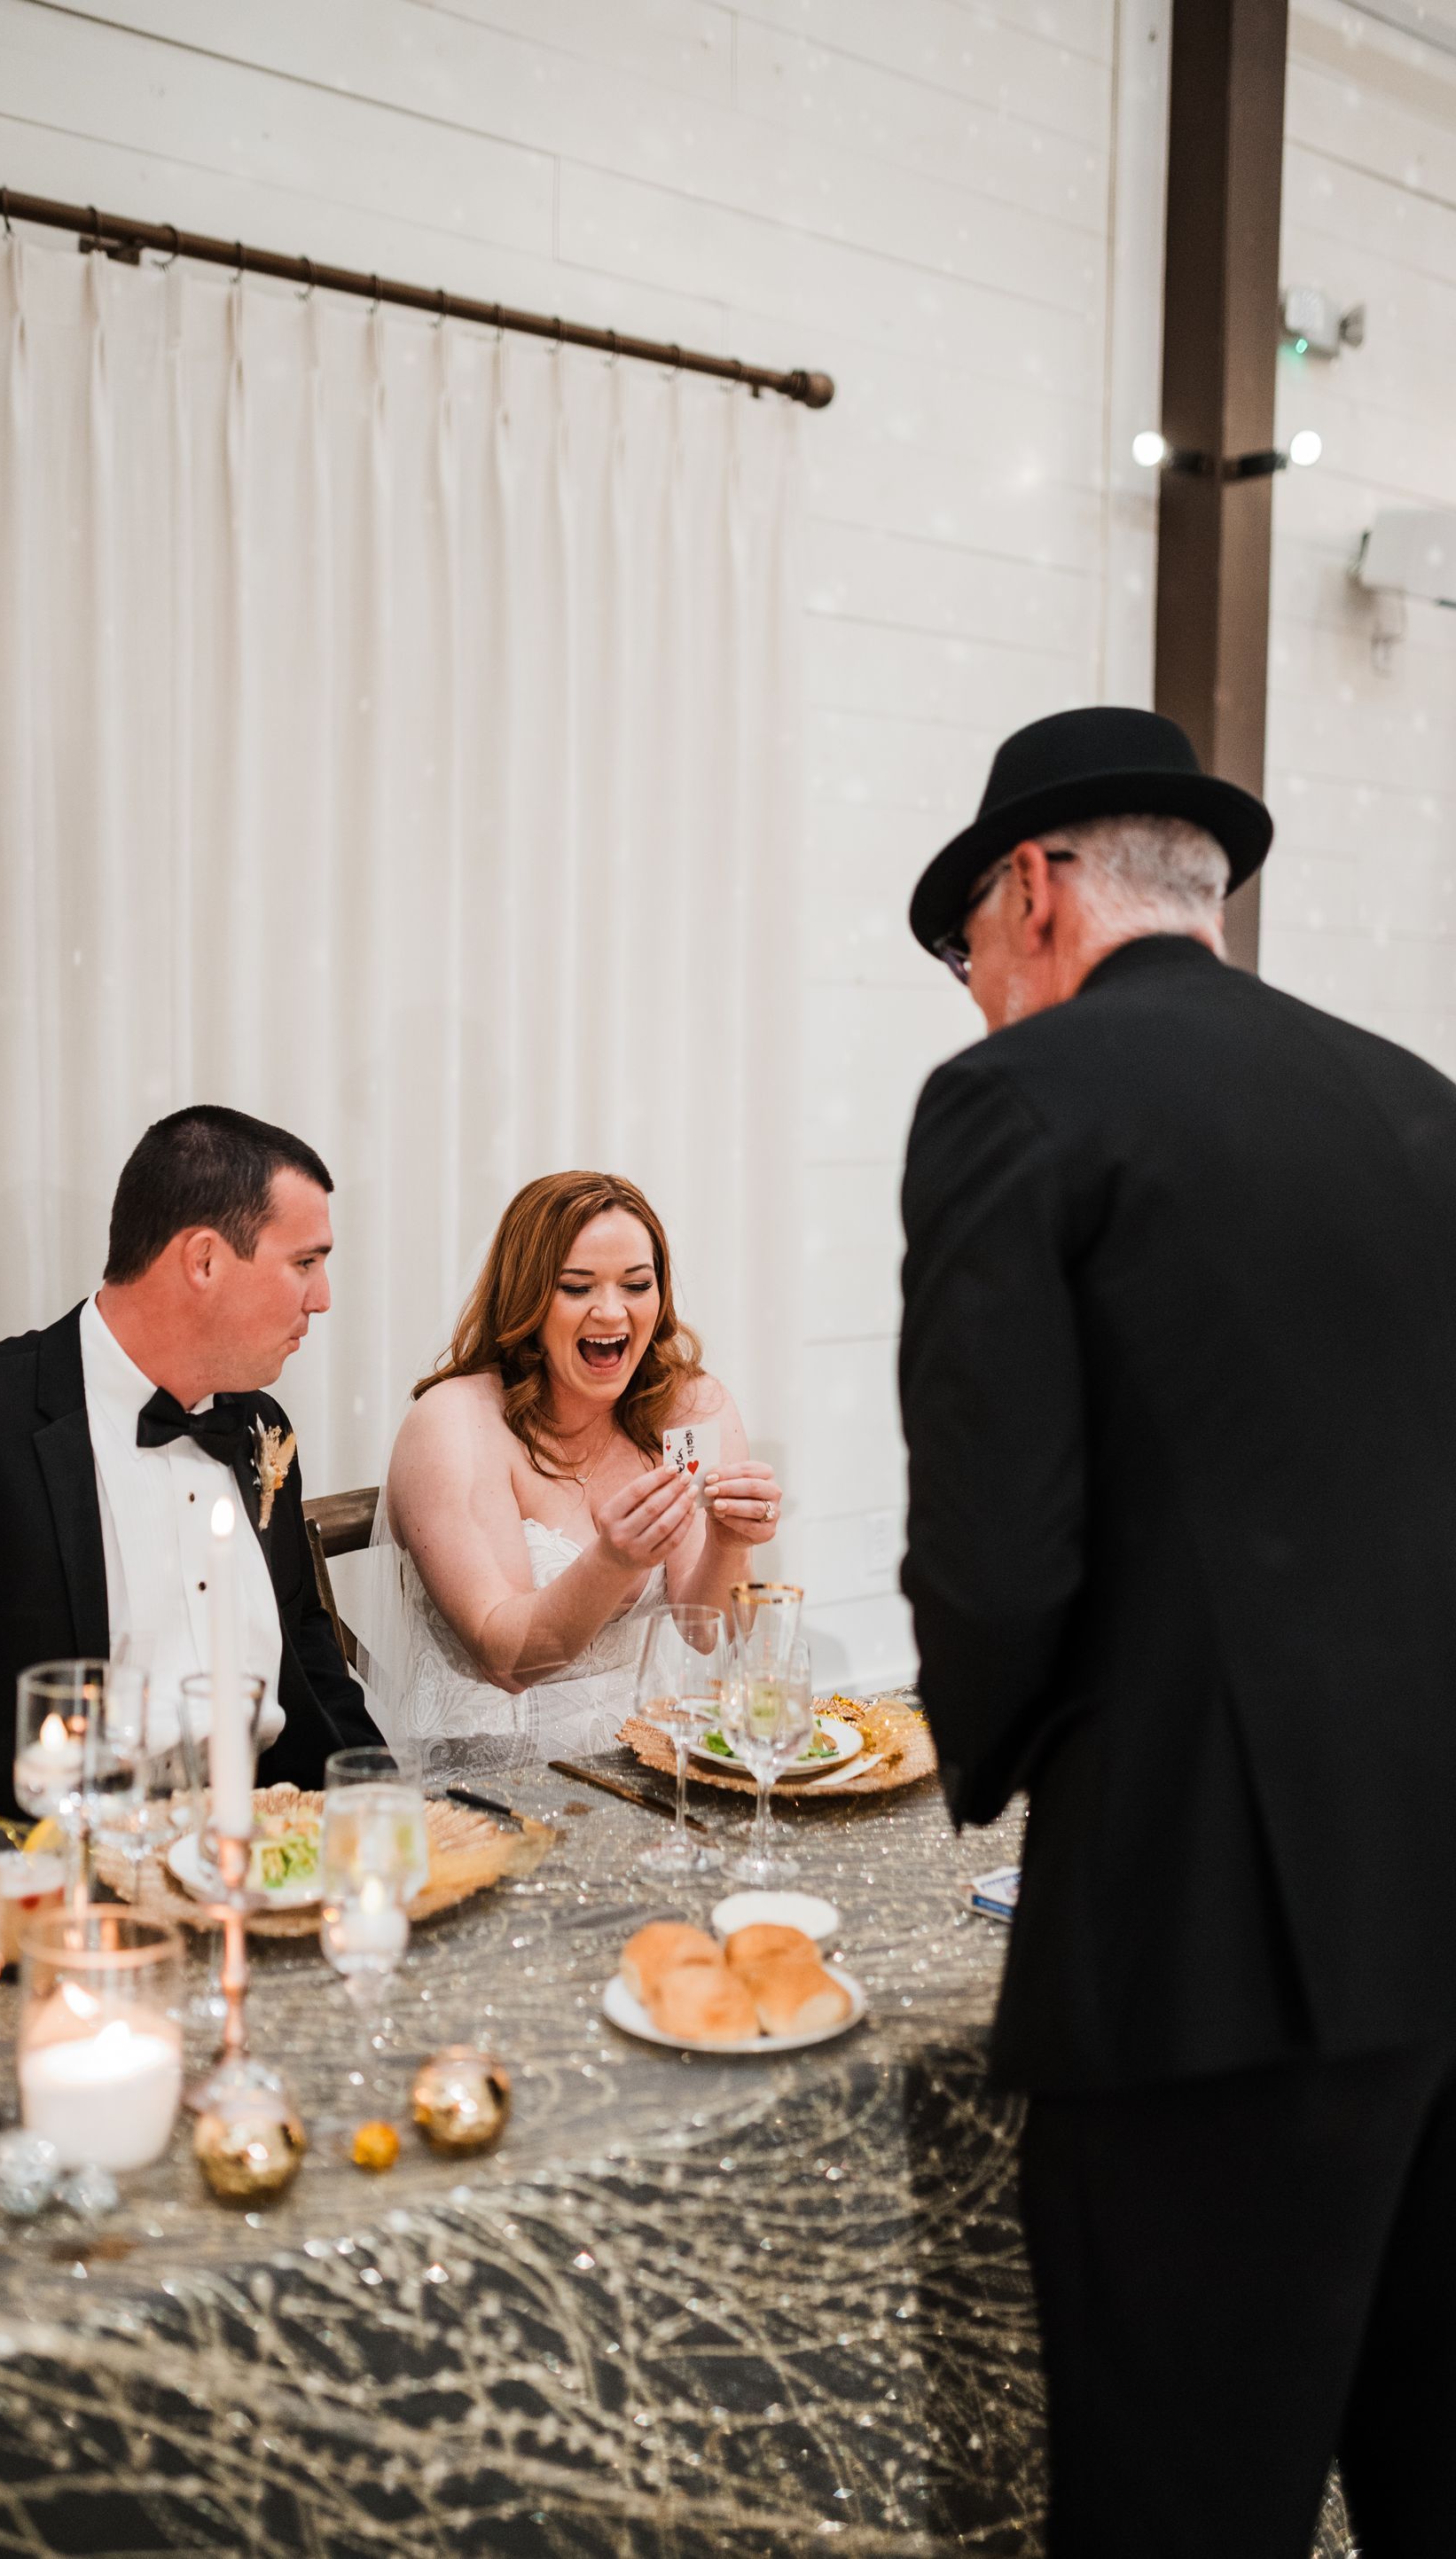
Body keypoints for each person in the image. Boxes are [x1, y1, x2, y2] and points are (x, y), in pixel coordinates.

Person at [898, 705, 1456, 2559]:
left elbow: (996, 1551)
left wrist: (983, 1747)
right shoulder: (1419, 1103)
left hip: (1217, 1948)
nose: (979, 996)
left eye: (972, 949)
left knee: (1178, 2517)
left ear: (1038, 893)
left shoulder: (1017, 1100)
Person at [0, 1105, 380, 1898]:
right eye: (306, 1262)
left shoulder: (259, 1427)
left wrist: (384, 1813)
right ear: (205, 1261)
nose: (321, 1299)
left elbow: (304, 1648)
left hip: (268, 1887)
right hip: (37, 1912)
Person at [360, 1170, 784, 1772]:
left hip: (646, 1763)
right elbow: (505, 1661)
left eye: (637, 1285)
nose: (611, 1312)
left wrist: (730, 1543)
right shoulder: (455, 1423)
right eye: (576, 1288)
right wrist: (615, 1560)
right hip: (493, 1786)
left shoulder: (688, 1409)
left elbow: (706, 1630)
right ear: (527, 1298)